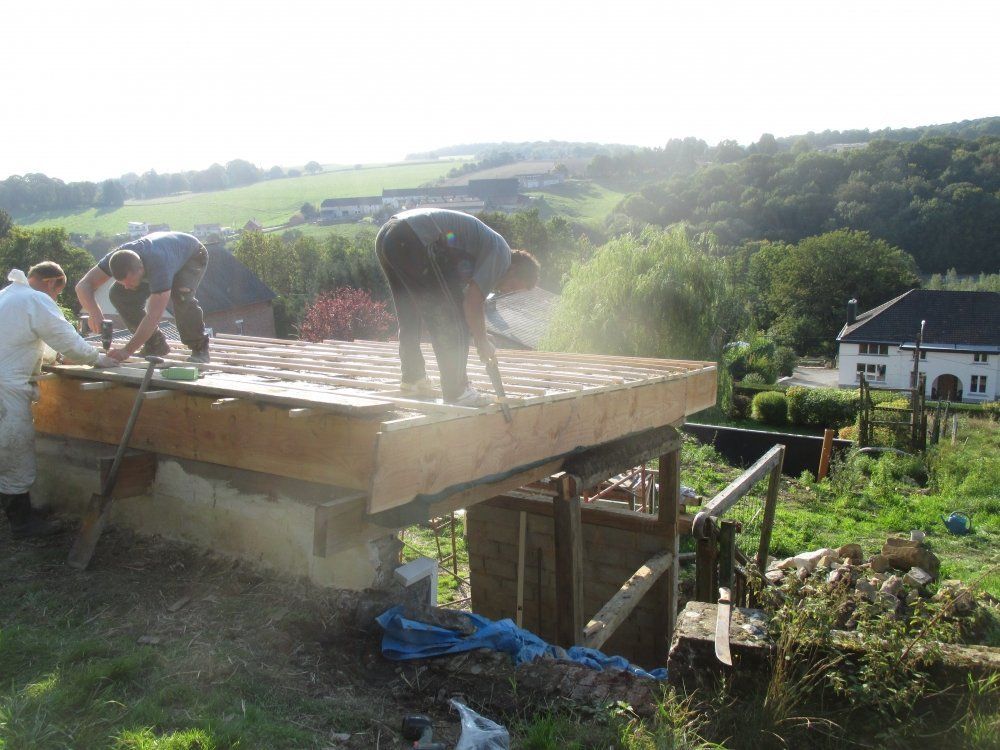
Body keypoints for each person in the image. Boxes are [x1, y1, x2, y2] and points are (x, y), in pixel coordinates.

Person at [0, 262, 118, 539]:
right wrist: (98, 358)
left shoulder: (8, 296)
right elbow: (65, 337)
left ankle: (16, 512)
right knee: (15, 448)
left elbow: (28, 340)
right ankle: (22, 523)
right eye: (58, 292)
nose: (55, 298)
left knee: (5, 449)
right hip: (6, 388)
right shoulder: (35, 299)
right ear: (52, 283)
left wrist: (56, 357)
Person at [375, 208, 540, 405]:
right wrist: (481, 341)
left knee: (410, 312)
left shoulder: (485, 251)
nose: (505, 290)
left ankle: (413, 379)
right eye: (512, 285)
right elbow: (471, 305)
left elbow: (463, 301)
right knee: (453, 321)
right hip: (416, 238)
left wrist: (479, 334)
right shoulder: (502, 256)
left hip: (390, 236)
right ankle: (457, 391)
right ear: (514, 269)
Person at [76, 231, 211, 364]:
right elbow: (83, 285)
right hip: (164, 254)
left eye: (130, 282)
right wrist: (94, 312)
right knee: (119, 295)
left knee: (182, 295)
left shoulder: (159, 267)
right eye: (123, 282)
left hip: (192, 255)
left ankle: (199, 347)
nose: (127, 286)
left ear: (141, 269)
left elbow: (153, 316)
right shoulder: (118, 258)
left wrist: (127, 350)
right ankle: (155, 344)